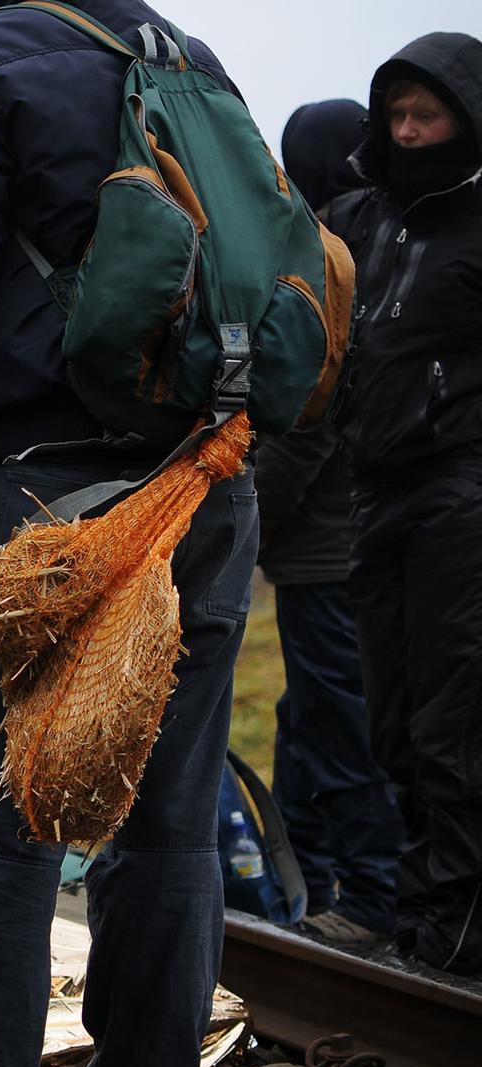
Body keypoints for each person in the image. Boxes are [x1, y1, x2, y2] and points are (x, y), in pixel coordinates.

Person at [0, 3, 261, 1067]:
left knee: (10, 816)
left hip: (45, 492)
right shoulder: (184, 54)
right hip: (205, 483)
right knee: (173, 824)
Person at [328, 32, 482, 976]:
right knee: (389, 718)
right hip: (374, 490)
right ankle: (422, 911)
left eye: (429, 115)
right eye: (397, 116)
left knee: (455, 716)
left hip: (461, 488)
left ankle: (455, 924)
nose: (410, 130)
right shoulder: (362, 214)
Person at [259, 99, 401, 945]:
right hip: (358, 537)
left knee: (338, 717)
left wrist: (249, 520)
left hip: (323, 548)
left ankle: (370, 896)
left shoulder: (326, 259)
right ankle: (306, 876)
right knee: (308, 714)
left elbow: (306, 419)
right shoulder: (388, 242)